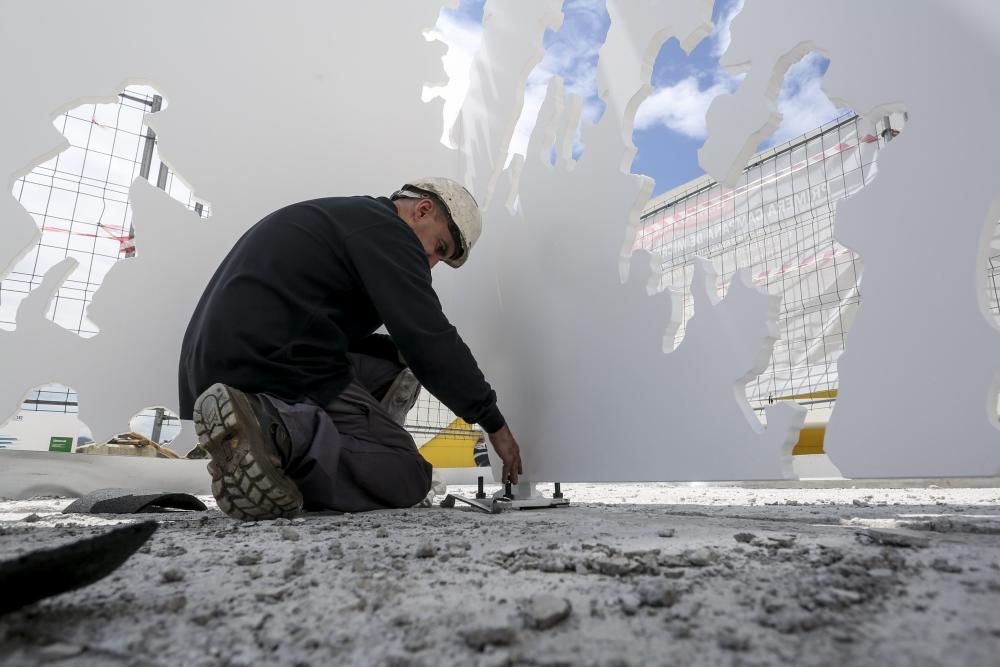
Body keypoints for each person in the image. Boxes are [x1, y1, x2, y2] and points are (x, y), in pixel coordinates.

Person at [177, 178, 523, 520]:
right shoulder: (390, 233)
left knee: (396, 360)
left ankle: (280, 445)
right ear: (423, 209)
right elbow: (428, 337)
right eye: (440, 247)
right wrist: (493, 422)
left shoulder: (353, 218)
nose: (431, 261)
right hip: (272, 364)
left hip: (224, 362)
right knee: (410, 475)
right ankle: (273, 434)